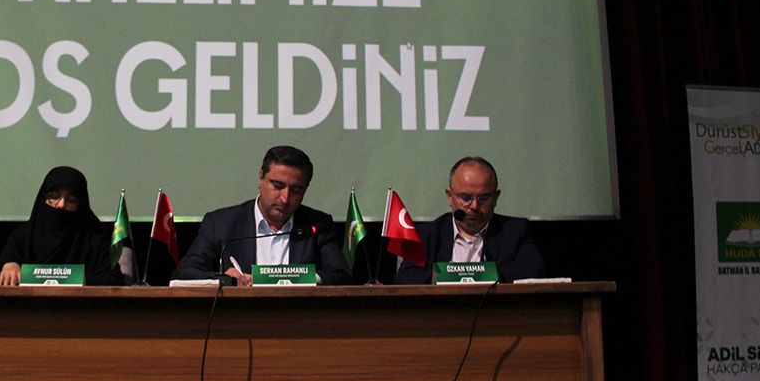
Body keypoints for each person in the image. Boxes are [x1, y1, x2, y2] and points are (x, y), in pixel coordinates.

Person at [172, 145, 354, 286]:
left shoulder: (317, 225)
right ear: (261, 178)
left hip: (299, 319)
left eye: (296, 190)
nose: (285, 198)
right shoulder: (221, 223)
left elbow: (341, 275)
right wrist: (226, 279)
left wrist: (297, 278)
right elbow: (184, 273)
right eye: (278, 186)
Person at [395, 156, 544, 284]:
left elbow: (532, 273)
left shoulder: (516, 231)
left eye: (484, 198)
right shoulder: (426, 235)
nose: (474, 206)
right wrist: (451, 276)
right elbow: (404, 279)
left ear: (496, 197)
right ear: (450, 196)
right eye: (465, 197)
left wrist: (479, 274)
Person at [0, 166, 122, 286]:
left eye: (71, 199)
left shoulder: (97, 239)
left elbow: (113, 280)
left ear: (80, 204)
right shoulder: (22, 237)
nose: (61, 205)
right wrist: (9, 265)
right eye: (54, 197)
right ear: (42, 197)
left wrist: (71, 279)